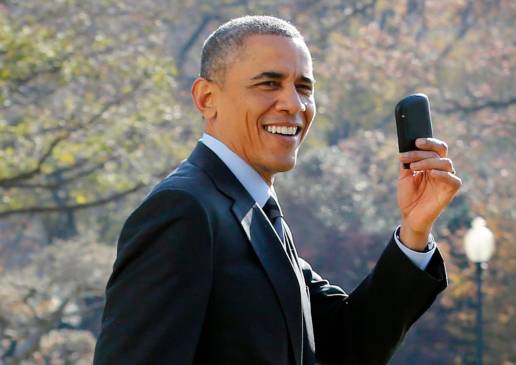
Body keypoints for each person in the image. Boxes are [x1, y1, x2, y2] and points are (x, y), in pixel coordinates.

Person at [93, 15, 461, 365]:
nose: (293, 104)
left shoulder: (252, 211)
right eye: (268, 83)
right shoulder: (184, 210)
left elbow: (349, 346)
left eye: (304, 87)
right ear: (207, 99)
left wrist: (415, 232)